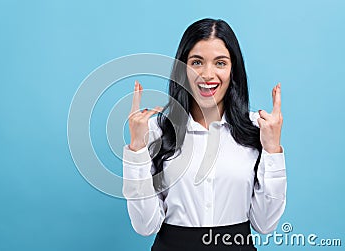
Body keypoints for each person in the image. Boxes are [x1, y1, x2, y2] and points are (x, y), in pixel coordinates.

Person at [122, 18, 286, 251]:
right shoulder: (157, 131)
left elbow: (265, 224)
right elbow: (145, 226)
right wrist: (137, 150)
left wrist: (272, 151)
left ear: (233, 70)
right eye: (197, 62)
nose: (208, 74)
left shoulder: (257, 130)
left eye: (220, 63)